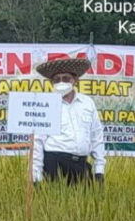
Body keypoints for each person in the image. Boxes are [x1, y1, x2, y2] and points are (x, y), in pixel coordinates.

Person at [31, 58, 106, 186]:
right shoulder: (46, 105)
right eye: (57, 79)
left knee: (86, 202)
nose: (61, 82)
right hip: (54, 163)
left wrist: (99, 169)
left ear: (75, 80)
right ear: (51, 82)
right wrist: (36, 176)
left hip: (80, 164)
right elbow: (38, 142)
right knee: (54, 203)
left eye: (66, 78)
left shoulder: (87, 103)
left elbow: (96, 137)